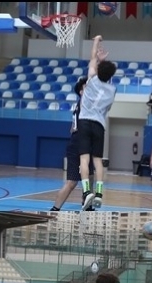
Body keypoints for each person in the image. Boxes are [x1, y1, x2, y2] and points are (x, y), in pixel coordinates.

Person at [79, 35, 117, 211]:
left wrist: (96, 41)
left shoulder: (92, 79)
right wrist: (103, 63)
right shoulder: (112, 90)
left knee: (84, 159)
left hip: (84, 122)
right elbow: (108, 108)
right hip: (99, 124)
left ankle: (87, 192)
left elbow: (92, 57)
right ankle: (99, 194)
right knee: (98, 161)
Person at [51, 77, 95, 211]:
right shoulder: (85, 102)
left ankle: (87, 205)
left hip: (81, 141)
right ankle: (55, 209)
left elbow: (72, 128)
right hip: (79, 142)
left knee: (90, 177)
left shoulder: (80, 106)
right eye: (86, 87)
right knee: (72, 182)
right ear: (81, 92)